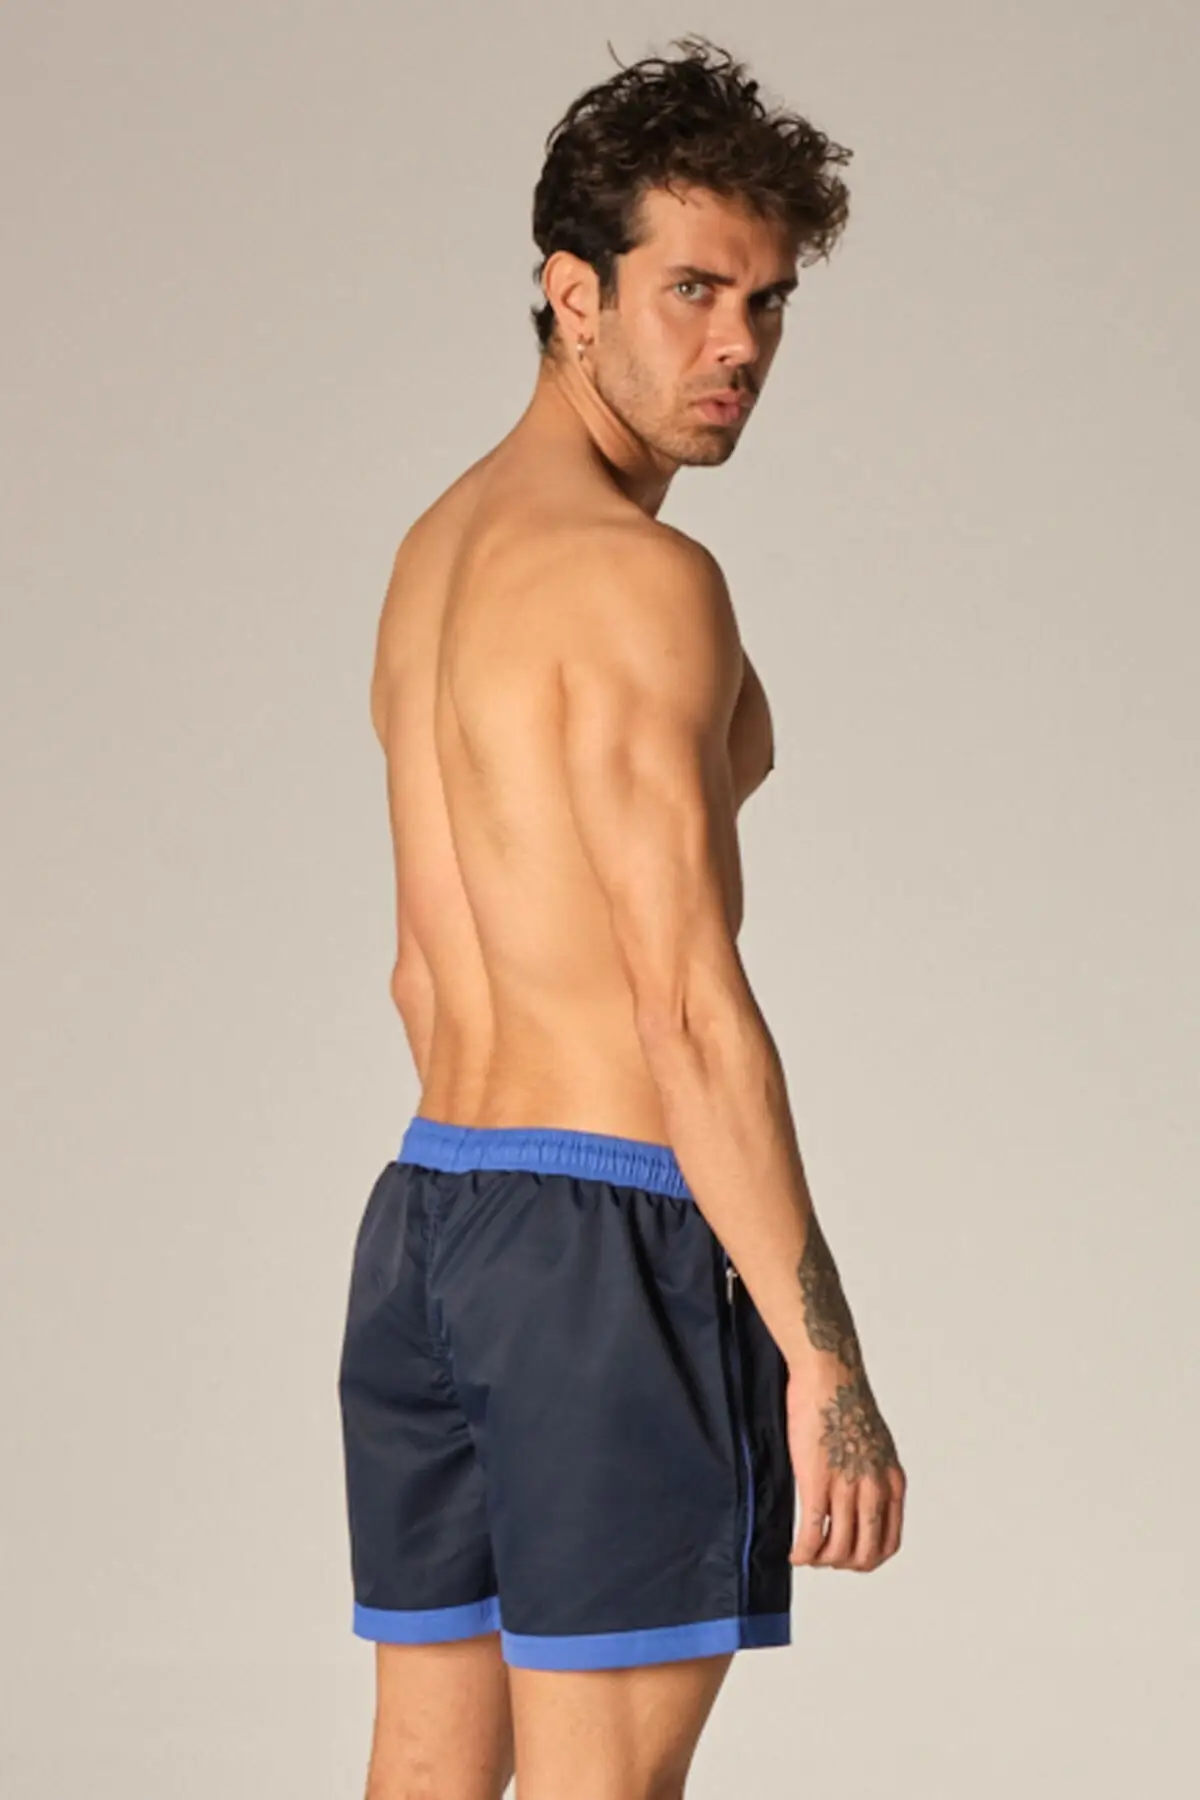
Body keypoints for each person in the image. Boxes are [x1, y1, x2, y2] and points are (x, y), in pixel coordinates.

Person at [338, 33, 906, 1800]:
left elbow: (419, 970)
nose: (740, 345)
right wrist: (825, 1362)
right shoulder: (646, 581)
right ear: (571, 296)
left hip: (431, 1227)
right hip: (604, 1245)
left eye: (767, 299)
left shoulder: (436, 553)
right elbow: (686, 1006)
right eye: (692, 291)